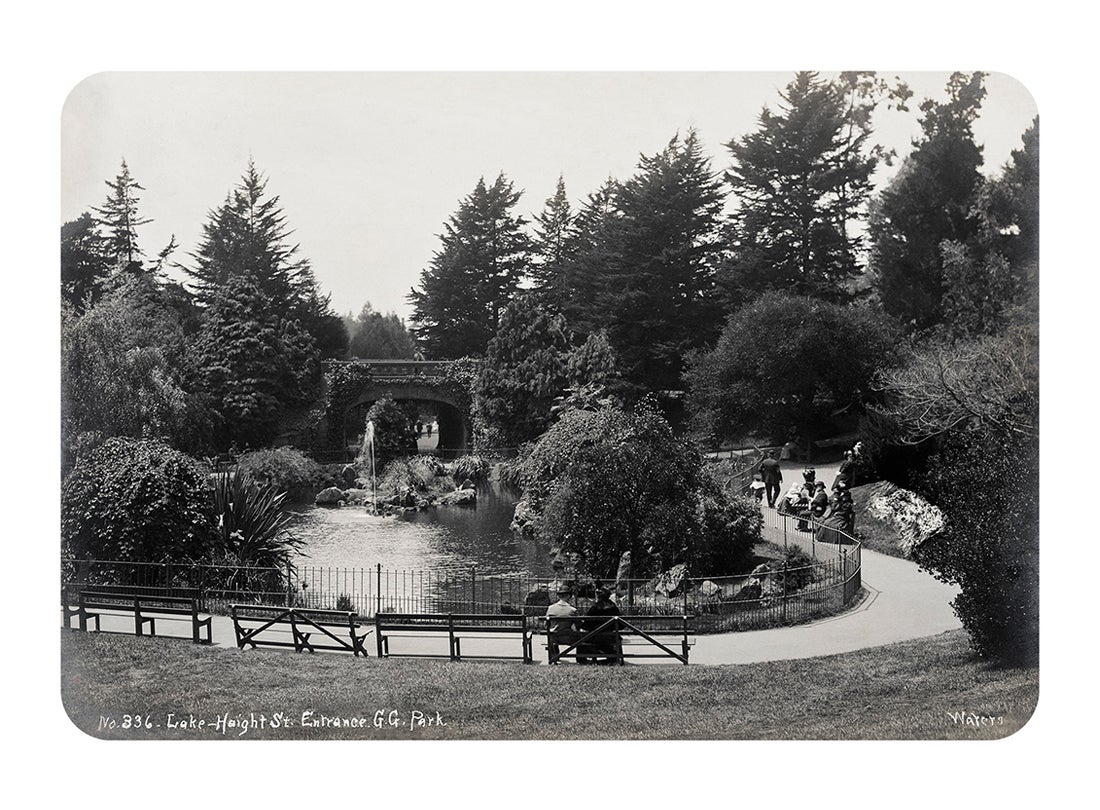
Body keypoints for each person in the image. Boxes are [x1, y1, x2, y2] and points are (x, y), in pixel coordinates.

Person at [580, 586, 622, 665]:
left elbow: (586, 625)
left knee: (582, 636)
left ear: (598, 596)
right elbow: (621, 625)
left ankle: (582, 658)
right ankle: (612, 657)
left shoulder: (594, 608)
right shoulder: (613, 607)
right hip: (611, 637)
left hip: (595, 637)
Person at [546, 586, 579, 662]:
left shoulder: (550, 608)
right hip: (569, 637)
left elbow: (547, 624)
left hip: (554, 637)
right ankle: (580, 657)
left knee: (552, 632)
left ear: (558, 596)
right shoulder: (572, 610)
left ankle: (555, 655)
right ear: (568, 596)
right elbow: (578, 625)